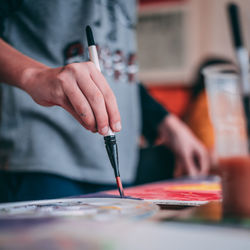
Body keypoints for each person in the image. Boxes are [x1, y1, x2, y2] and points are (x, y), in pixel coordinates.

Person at [0, 0, 209, 202]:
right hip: (42, 162)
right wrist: (34, 75)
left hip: (119, 169)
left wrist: (166, 122)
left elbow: (115, 73)